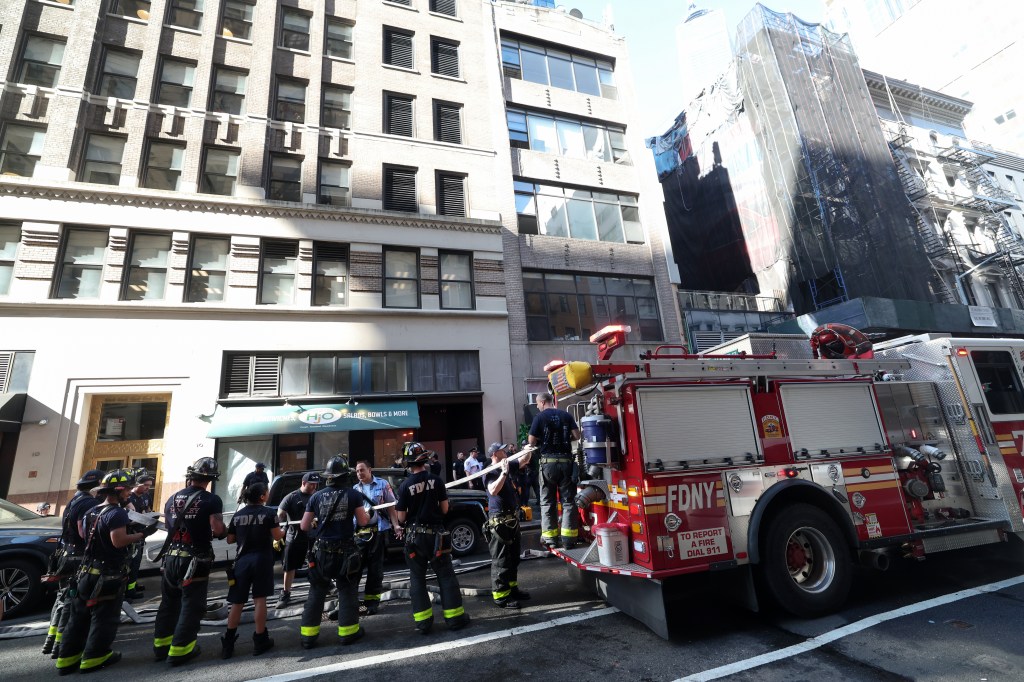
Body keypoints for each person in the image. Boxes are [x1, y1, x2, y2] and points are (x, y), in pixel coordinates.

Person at [56, 470, 156, 674]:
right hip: (107, 574)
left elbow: (84, 535)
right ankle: (95, 657)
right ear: (118, 491)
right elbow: (118, 541)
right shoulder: (117, 513)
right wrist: (140, 534)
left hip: (85, 572)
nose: (129, 493)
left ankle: (67, 659)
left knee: (79, 617)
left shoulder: (91, 511)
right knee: (104, 617)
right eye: (127, 489)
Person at [153, 457, 226, 666]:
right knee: (192, 604)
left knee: (168, 603)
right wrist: (226, 531)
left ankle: (161, 647)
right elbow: (217, 528)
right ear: (210, 478)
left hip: (170, 558)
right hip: (195, 560)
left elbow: (169, 526)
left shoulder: (172, 498)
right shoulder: (211, 500)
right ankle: (181, 650)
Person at [394, 442, 470, 635]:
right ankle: (454, 619)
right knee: (445, 575)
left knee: (417, 579)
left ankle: (423, 623)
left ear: (408, 462)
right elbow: (445, 509)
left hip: (414, 539)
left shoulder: (404, 486)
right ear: (425, 459)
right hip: (437, 537)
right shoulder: (436, 481)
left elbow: (401, 517)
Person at [298, 455, 370, 649]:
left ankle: (308, 637)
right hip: (345, 552)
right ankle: (348, 633)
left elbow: (304, 526)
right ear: (345, 475)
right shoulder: (353, 495)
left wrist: (318, 527)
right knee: (346, 591)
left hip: (321, 552)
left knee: (317, 592)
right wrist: (369, 514)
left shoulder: (315, 496)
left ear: (328, 476)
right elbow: (363, 522)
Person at [42, 469, 103, 659]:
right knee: (72, 600)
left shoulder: (73, 500)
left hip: (66, 554)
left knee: (62, 598)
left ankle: (52, 639)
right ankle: (62, 643)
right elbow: (83, 530)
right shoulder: (89, 503)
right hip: (77, 558)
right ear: (96, 486)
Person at [221, 482, 283, 658]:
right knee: (259, 599)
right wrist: (285, 530)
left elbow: (230, 540)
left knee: (237, 602)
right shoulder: (269, 513)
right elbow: (277, 535)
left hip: (242, 562)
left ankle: (228, 643)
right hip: (262, 560)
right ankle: (260, 640)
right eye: (267, 491)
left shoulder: (238, 515)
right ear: (262, 496)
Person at [528, 393, 581, 549]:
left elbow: (531, 441)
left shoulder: (539, 417)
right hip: (566, 463)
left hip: (548, 464)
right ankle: (568, 539)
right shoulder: (566, 414)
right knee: (569, 501)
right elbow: (577, 435)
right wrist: (565, 438)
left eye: (537, 403)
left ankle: (551, 539)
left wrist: (543, 440)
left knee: (547, 502)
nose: (537, 406)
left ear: (543, 402)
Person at [483, 443, 532, 609]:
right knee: (501, 561)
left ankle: (512, 589)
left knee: (513, 559)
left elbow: (524, 461)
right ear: (495, 453)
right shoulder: (489, 471)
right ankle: (501, 597)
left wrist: (528, 449)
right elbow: (493, 490)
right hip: (499, 522)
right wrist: (503, 473)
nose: (506, 452)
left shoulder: (508, 464)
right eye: (503, 450)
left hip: (511, 520)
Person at [353, 460, 402, 616]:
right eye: (357, 471)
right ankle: (352, 601)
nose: (359, 473)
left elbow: (391, 507)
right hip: (360, 534)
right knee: (356, 569)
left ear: (370, 470)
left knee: (375, 570)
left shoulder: (382, 484)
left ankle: (372, 602)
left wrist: (396, 525)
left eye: (362, 470)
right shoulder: (355, 489)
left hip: (378, 532)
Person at [275, 472, 319, 607]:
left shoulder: (316, 497)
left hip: (313, 537)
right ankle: (285, 594)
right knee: (289, 567)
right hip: (294, 538)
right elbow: (279, 515)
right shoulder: (291, 497)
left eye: (316, 484)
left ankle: (326, 586)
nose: (314, 487)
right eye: (311, 484)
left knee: (317, 563)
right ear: (303, 482)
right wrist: (279, 532)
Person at [124, 471, 155, 600]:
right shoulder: (128, 498)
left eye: (150, 485)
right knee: (131, 564)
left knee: (136, 564)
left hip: (141, 534)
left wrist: (151, 514)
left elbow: (147, 509)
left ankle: (132, 585)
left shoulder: (145, 496)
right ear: (137, 484)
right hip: (131, 535)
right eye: (146, 485)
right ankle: (128, 591)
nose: (148, 488)